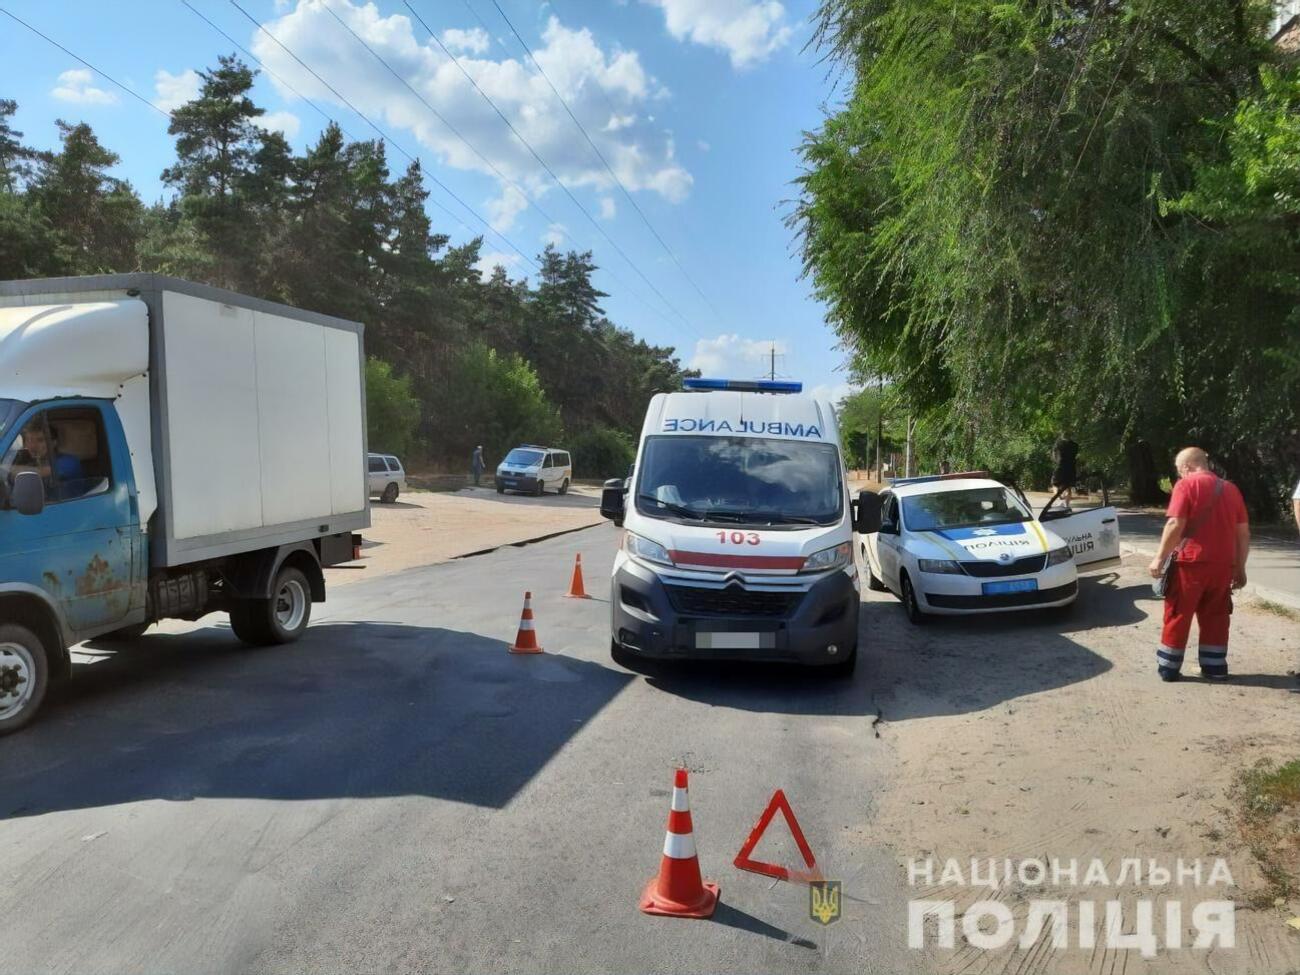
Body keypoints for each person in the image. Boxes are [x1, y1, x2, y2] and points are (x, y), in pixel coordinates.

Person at [1147, 447, 1250, 682]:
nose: (1179, 476)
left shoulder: (1186, 486)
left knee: (1178, 614)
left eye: (1179, 471)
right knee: (1217, 616)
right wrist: (1240, 567)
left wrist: (1159, 558)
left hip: (1190, 564)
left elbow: (1175, 523)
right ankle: (1214, 668)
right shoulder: (1231, 489)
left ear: (1187, 467)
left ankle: (1169, 668)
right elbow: (1243, 533)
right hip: (1223, 566)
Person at [17, 420, 83, 501]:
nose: (33, 445)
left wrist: (6, 468)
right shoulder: (31, 463)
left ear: (53, 443)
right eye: (29, 440)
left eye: (40, 440)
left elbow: (40, 472)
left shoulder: (70, 462)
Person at [1052, 432, 1078, 503]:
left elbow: (1054, 455)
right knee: (1068, 487)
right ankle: (1066, 505)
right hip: (1071, 468)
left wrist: (1056, 461)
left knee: (1055, 484)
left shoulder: (1059, 444)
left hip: (1061, 466)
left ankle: (1059, 496)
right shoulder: (1075, 445)